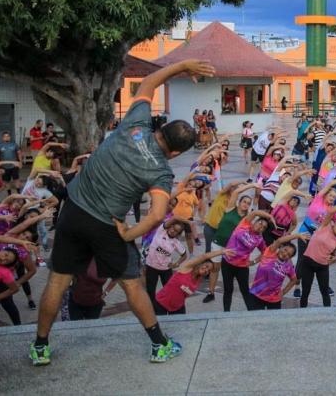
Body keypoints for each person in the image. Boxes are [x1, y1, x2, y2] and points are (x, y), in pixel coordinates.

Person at [29, 58, 215, 366]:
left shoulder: (135, 123)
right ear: (176, 153)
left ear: (161, 128)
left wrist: (183, 65)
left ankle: (40, 346)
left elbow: (149, 82)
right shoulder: (160, 171)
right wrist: (129, 234)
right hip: (106, 225)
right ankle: (159, 345)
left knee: (57, 282)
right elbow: (157, 215)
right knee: (131, 284)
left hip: (73, 211)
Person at [299, 203, 336, 308]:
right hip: (308, 262)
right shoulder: (325, 226)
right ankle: (302, 312)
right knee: (305, 291)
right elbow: (332, 211)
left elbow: (335, 256)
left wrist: (335, 258)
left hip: (322, 267)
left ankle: (328, 312)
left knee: (324, 291)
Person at [155, 248, 230, 315]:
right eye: (206, 266)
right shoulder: (187, 267)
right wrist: (222, 252)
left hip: (177, 307)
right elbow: (204, 256)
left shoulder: (199, 279)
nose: (206, 270)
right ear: (201, 263)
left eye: (208, 271)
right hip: (161, 302)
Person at [248, 232, 306, 310]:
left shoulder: (288, 266)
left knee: (273, 318)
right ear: (281, 247)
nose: (285, 253)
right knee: (254, 317)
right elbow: (279, 241)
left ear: (289, 258)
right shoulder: (270, 252)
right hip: (256, 294)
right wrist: (297, 235)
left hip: (274, 300)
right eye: (285, 250)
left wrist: (283, 292)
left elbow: (294, 280)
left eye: (288, 254)